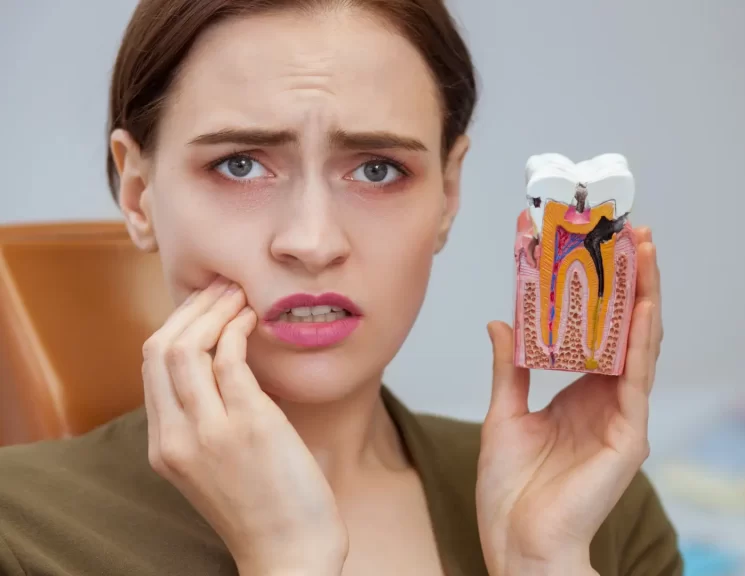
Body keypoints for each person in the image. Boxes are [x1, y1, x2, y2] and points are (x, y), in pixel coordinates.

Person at [0, 0, 681, 574]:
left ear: (448, 194)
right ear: (139, 192)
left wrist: (545, 562)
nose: (314, 241)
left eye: (378, 170)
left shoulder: (594, 506)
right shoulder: (20, 533)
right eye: (240, 165)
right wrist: (288, 557)